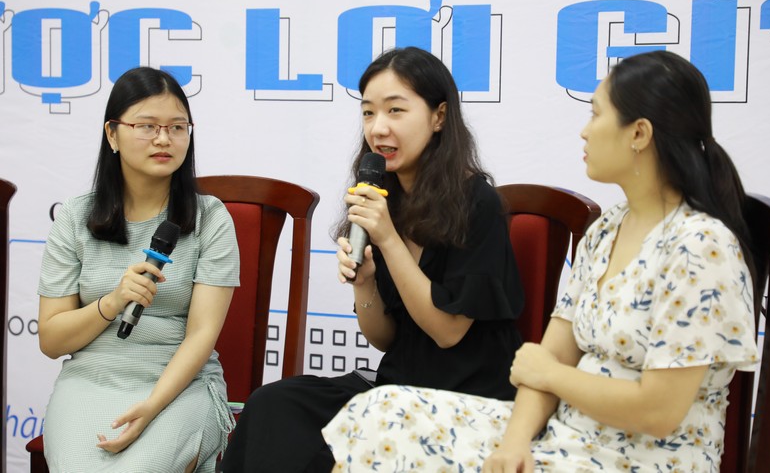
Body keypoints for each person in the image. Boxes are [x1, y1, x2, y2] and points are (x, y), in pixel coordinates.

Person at [322, 50, 760, 472]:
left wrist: (551, 376)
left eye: (596, 115)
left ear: (639, 134)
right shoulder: (608, 230)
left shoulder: (701, 247)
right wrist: (513, 443)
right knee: (381, 413)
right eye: (368, 113)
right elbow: (550, 355)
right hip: (566, 435)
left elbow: (657, 410)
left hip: (641, 458)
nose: (584, 132)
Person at [218, 47, 524, 472]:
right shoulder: (384, 197)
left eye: (395, 110)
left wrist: (388, 239)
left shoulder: (478, 203)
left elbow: (447, 332)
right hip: (396, 386)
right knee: (274, 406)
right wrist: (364, 282)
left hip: (467, 397)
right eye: (368, 113)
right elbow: (385, 338)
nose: (378, 128)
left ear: (439, 116)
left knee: (341, 446)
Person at [37, 67, 240, 472]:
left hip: (179, 386)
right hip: (89, 381)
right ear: (112, 134)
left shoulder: (211, 218)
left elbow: (202, 334)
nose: (164, 139)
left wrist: (151, 407)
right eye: (147, 126)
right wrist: (112, 302)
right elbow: (52, 340)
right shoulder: (75, 218)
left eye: (177, 127)